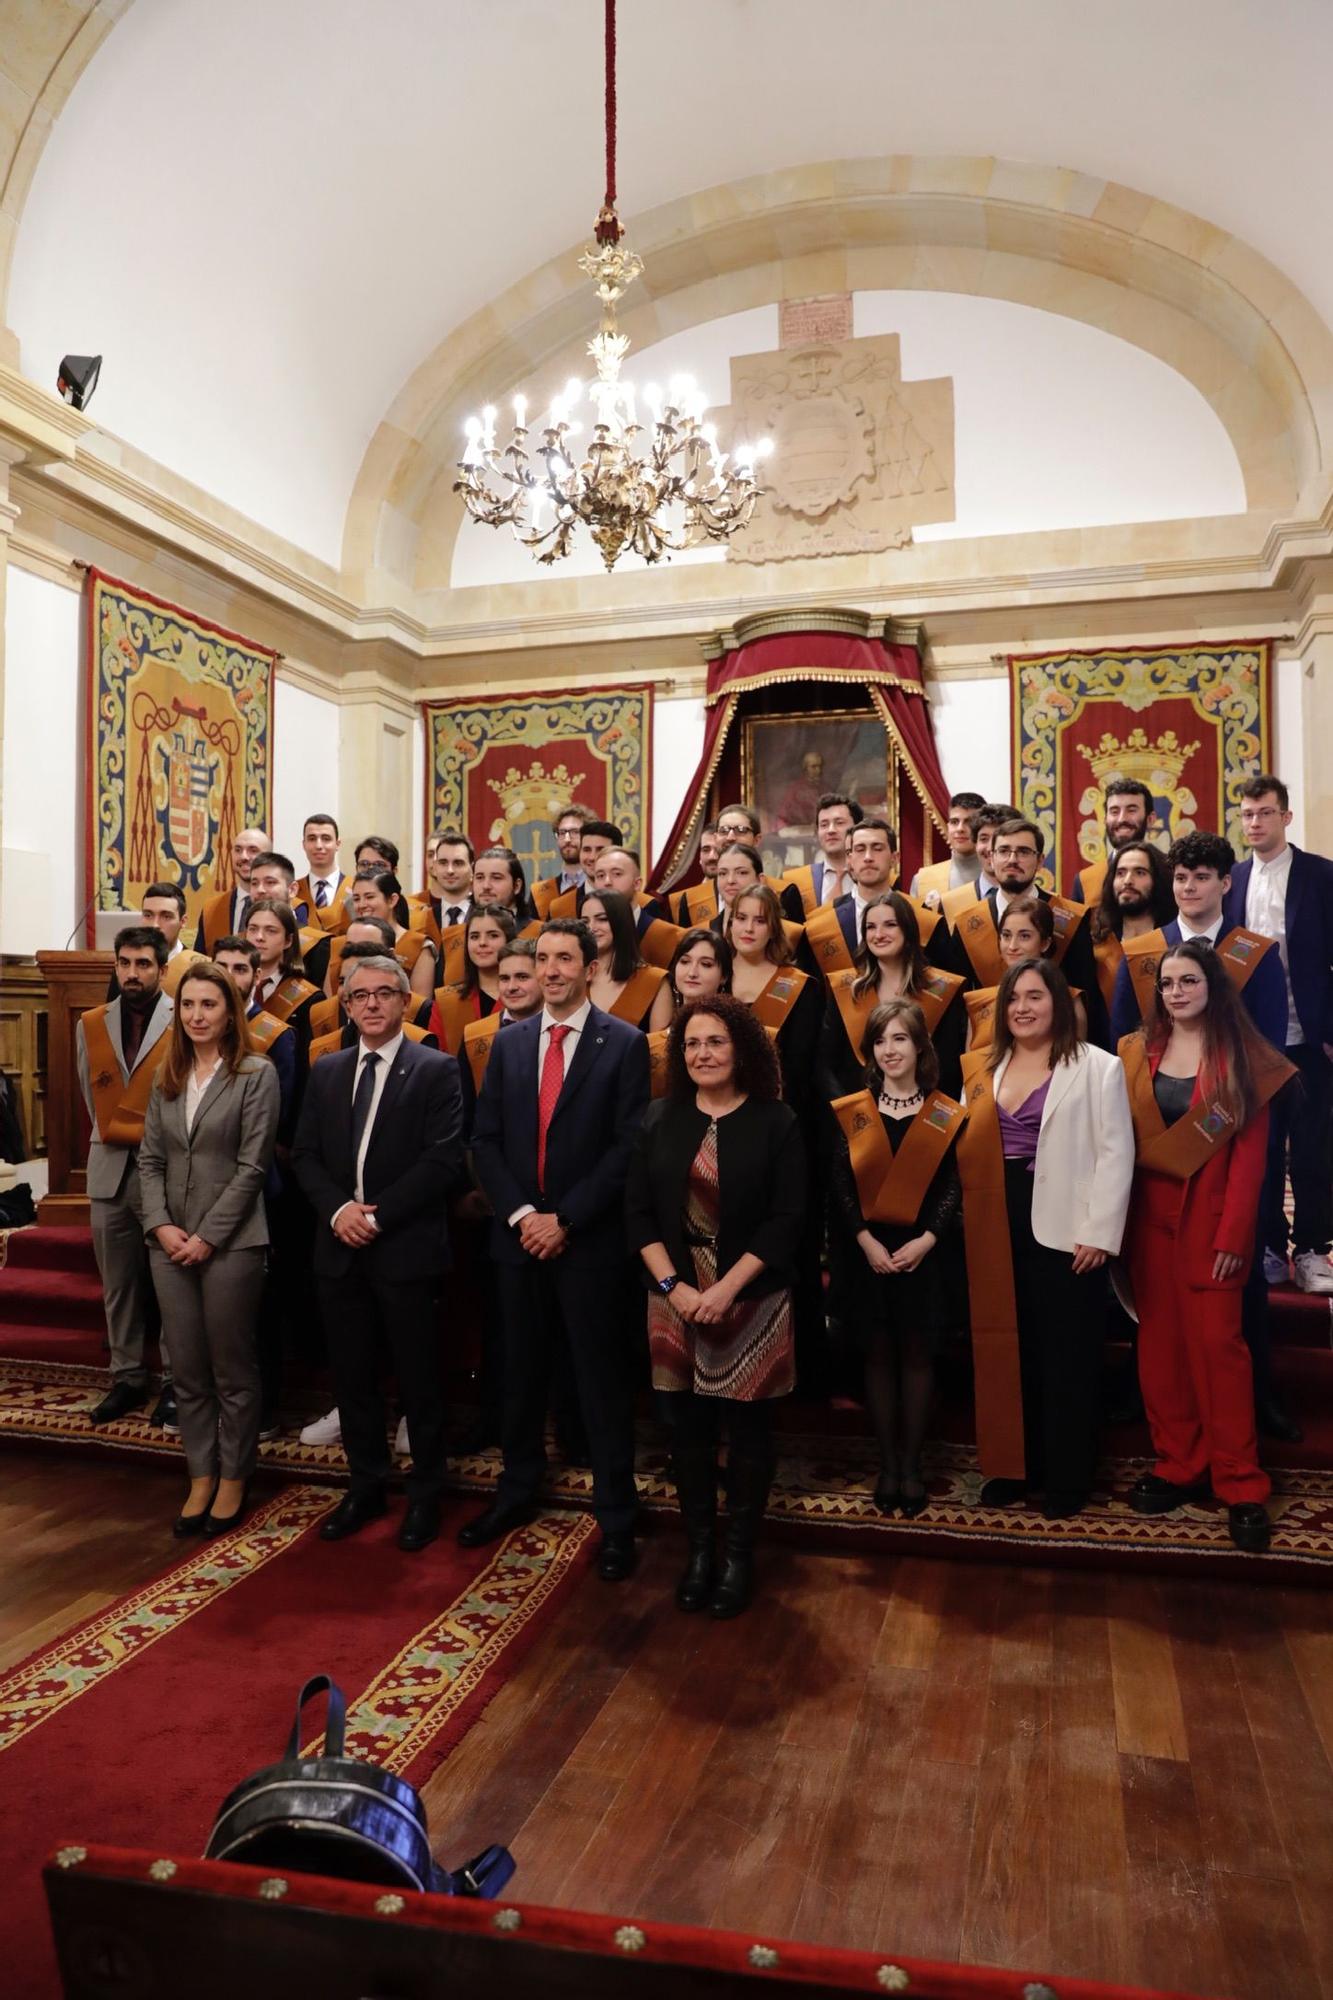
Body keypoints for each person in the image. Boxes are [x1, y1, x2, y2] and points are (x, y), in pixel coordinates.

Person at [462, 918, 651, 1579]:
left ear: (590, 968)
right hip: (517, 1242)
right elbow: (483, 1140)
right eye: (540, 958)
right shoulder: (507, 1044)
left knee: (600, 1384)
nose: (549, 970)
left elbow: (629, 1147)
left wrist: (562, 1218)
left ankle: (617, 1518)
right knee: (517, 1376)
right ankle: (515, 1492)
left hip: (588, 1243)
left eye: (563, 959)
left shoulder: (623, 1044)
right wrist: (522, 1215)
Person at [625, 996, 805, 1616]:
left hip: (751, 1296)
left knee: (751, 1435)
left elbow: (788, 1220)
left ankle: (738, 1557)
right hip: (673, 1293)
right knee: (687, 1435)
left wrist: (725, 1289)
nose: (701, 1054)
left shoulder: (776, 1120)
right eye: (692, 1044)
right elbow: (638, 1214)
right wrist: (677, 1288)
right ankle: (700, 1552)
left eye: (715, 1043)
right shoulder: (657, 1118)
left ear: (742, 1051)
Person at [1120, 939, 1294, 1554]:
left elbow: (1252, 1159)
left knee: (1219, 1353)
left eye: (1188, 981)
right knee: (1160, 1352)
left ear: (1212, 986)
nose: (1176, 992)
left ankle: (1240, 1482)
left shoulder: (1243, 1056)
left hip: (1211, 1228)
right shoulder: (1138, 1052)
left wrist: (1234, 1235)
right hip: (1148, 1225)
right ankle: (1178, 1462)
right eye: (1167, 983)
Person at [292, 956, 464, 1552]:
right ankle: (365, 1487)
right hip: (339, 1247)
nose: (370, 1004)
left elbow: (443, 1161)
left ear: (404, 1002)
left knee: (420, 1380)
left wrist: (379, 1216)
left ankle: (425, 1496)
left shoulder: (437, 1069)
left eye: (384, 994)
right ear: (345, 1005)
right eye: (359, 996)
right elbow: (305, 1155)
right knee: (353, 1378)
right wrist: (340, 1211)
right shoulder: (327, 1069)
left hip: (405, 1249)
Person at [956, 958, 1134, 1517]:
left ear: (1058, 1003)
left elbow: (1116, 1152)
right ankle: (1014, 1468)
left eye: (1035, 996)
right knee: (1009, 1350)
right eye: (1013, 999)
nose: (1023, 1008)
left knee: (1068, 1355)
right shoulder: (980, 1070)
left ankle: (1067, 1477)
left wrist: (1099, 1233)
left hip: (1067, 1229)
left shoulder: (1097, 1067)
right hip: (992, 1223)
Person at [137, 965, 280, 1535]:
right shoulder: (166, 1073)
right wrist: (160, 1226)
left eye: (209, 1005)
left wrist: (206, 1237)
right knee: (187, 1369)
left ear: (229, 1012)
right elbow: (150, 1160)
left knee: (231, 1367)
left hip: (232, 1243)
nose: (197, 1016)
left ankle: (234, 1476)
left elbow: (253, 1169)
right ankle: (200, 1472)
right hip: (168, 1242)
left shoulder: (255, 1074)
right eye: (189, 1005)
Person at [829, 999, 964, 1515]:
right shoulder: (855, 1110)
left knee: (917, 1356)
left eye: (900, 1038)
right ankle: (887, 1464)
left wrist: (928, 1239)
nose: (890, 1049)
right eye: (881, 1040)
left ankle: (912, 1464)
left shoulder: (944, 1111)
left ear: (919, 1047)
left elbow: (952, 1185)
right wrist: (864, 1241)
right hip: (870, 1256)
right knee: (879, 1356)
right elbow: (840, 1187)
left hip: (923, 1255)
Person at [1226, 774, 1333, 1296]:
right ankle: (1270, 1244)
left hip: (1311, 1036)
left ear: (1285, 817)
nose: (1254, 822)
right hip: (1253, 1039)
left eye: (1264, 813)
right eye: (1246, 814)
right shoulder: (1233, 879)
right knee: (1261, 1149)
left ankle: (1313, 1249)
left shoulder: (1320, 875)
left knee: (1313, 1148)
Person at [78, 926, 176, 1427]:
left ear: (161, 968)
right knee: (118, 1284)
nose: (132, 973)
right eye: (124, 963)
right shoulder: (93, 1023)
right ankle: (127, 1378)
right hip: (109, 1170)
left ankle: (177, 1383)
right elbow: (88, 1093)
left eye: (142, 964)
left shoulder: (183, 1018)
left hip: (165, 1171)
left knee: (169, 1284)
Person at [819, 891, 965, 1098]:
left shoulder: (940, 988)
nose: (878, 935)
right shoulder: (846, 988)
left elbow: (950, 1066)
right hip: (858, 1117)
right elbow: (825, 1065)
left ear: (908, 930)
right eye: (871, 927)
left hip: (923, 1116)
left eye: (890, 925)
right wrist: (846, 1115)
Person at [963, 897, 1088, 1053]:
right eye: (1006, 935)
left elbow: (1076, 1065)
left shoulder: (1069, 1000)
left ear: (1045, 943)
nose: (1012, 946)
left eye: (1024, 936)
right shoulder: (980, 1002)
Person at [1086, 840, 1177, 1018]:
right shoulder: (1096, 943)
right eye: (1120, 873)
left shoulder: (1173, 940)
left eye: (1140, 872)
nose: (1127, 881)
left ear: (1157, 880)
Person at [804, 816, 899, 975]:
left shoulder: (919, 917)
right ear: (849, 859)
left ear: (895, 858)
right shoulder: (823, 924)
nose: (868, 857)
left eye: (877, 848)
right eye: (860, 849)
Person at [326, 868, 436, 999]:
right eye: (356, 899)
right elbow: (330, 1002)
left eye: (369, 897)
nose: (361, 905)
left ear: (392, 900)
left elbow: (419, 1007)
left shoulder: (418, 946)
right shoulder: (339, 944)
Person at [429, 903, 515, 1053]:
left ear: (509, 941)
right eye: (474, 937)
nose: (482, 943)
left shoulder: (525, 996)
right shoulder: (446, 1002)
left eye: (493, 935)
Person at [582, 889, 669, 1028]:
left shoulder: (654, 980)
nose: (591, 927)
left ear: (621, 922)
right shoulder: (574, 977)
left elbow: (658, 1047)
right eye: (585, 922)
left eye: (602, 919)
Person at [107, 882, 205, 1001]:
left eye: (166, 916)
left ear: (183, 921)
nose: (155, 925)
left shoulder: (196, 966)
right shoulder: (126, 965)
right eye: (148, 915)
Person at [1070, 776, 1156, 904]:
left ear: (1150, 819)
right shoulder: (1085, 880)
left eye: (1131, 810)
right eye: (1114, 811)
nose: (1122, 819)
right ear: (1105, 820)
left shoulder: (1170, 874)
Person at [781, 791, 865, 914]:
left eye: (839, 823)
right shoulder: (795, 882)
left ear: (857, 828)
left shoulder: (875, 878)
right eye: (824, 825)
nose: (830, 830)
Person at [939, 802, 1013, 930]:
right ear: (975, 843)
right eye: (984, 839)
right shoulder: (950, 904)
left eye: (999, 839)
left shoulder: (1042, 902)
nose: (991, 848)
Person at [194, 827, 270, 952]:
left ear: (269, 857)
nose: (244, 856)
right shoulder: (211, 910)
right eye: (238, 850)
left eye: (253, 850)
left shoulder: (288, 907)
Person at [911, 790, 986, 905]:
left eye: (969, 822)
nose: (960, 828)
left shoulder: (997, 875)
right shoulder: (922, 880)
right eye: (954, 822)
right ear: (948, 826)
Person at [532, 803, 594, 919]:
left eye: (575, 832)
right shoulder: (539, 893)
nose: (567, 839)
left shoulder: (600, 883)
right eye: (562, 833)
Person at [293, 812, 351, 932]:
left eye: (326, 839)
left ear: (338, 844)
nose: (319, 845)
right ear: (304, 845)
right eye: (312, 839)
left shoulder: (354, 888)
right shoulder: (293, 891)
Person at [548, 820, 621, 916]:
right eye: (586, 850)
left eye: (600, 850)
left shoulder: (642, 905)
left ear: (618, 854)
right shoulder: (559, 908)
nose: (592, 857)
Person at [673, 820, 722, 927]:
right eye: (706, 850)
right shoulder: (686, 900)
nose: (712, 857)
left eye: (718, 850)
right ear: (699, 858)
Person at [470, 845, 535, 924]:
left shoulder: (538, 933)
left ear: (516, 886)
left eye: (496, 878)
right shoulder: (458, 934)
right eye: (480, 877)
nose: (486, 886)